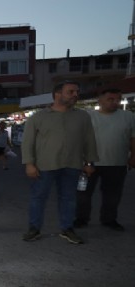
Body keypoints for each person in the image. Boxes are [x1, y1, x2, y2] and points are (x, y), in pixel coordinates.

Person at [21, 81, 98, 244]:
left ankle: (67, 229)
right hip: (44, 166)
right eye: (71, 92)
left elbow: (89, 140)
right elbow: (28, 142)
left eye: (77, 92)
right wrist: (29, 163)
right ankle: (34, 228)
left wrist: (89, 162)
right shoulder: (39, 117)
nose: (76, 95)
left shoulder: (82, 116)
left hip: (72, 164)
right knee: (38, 197)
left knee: (69, 198)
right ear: (57, 94)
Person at [75, 88, 135, 231]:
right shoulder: (88, 117)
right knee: (83, 194)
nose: (115, 102)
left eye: (117, 99)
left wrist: (133, 156)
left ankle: (109, 219)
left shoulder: (128, 116)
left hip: (117, 163)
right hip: (90, 163)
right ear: (100, 100)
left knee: (113, 195)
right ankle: (81, 218)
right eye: (110, 99)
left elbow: (133, 138)